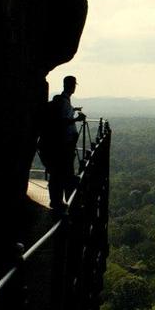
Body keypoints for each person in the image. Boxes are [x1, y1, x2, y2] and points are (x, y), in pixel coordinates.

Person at [45, 75, 86, 211]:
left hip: (61, 145)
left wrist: (73, 110)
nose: (74, 87)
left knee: (58, 173)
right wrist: (77, 119)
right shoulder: (63, 102)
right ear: (72, 86)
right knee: (61, 174)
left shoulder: (63, 101)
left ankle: (58, 201)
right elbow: (61, 122)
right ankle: (58, 202)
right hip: (63, 145)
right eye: (74, 85)